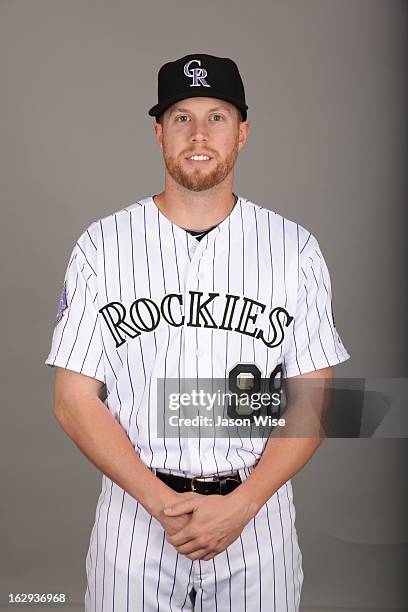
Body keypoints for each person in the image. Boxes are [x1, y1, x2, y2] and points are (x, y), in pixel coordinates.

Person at [45, 53, 350, 611]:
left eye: (217, 116)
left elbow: (315, 399)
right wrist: (161, 503)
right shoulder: (102, 246)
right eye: (182, 117)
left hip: (256, 518)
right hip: (135, 516)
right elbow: (72, 400)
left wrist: (243, 505)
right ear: (159, 133)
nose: (199, 134)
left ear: (243, 132)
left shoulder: (293, 249)